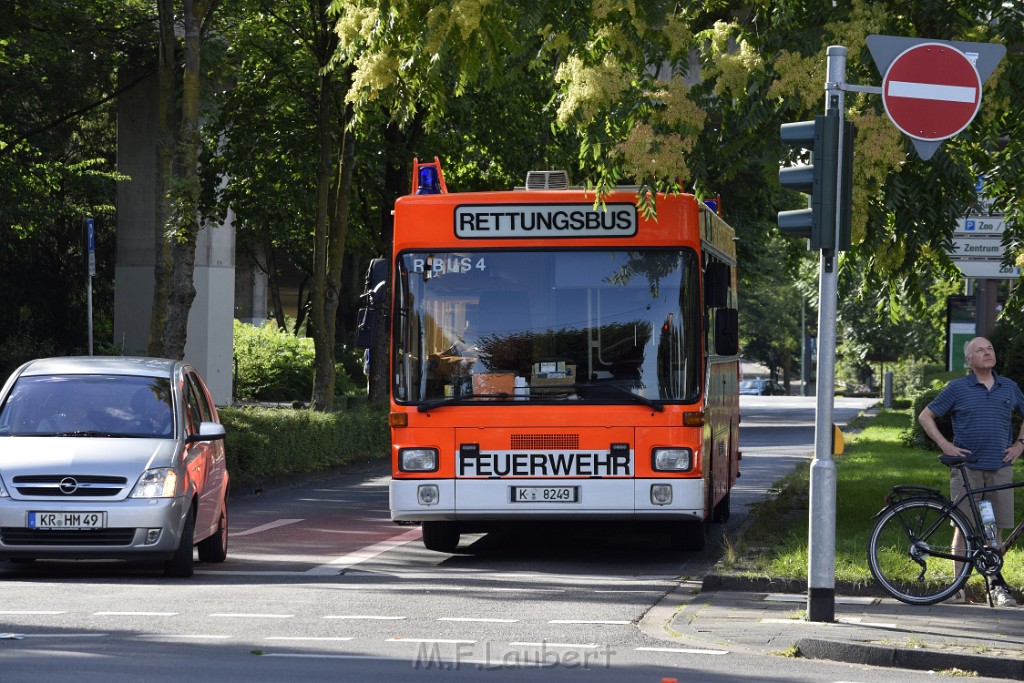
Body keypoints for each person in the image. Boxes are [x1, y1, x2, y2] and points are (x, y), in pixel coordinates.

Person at [918, 336, 1024, 607]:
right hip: (967, 470)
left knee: (994, 530)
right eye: (980, 350)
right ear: (969, 360)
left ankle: (996, 587)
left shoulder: (1008, 387)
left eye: (990, 348)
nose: (988, 353)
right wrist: (945, 444)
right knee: (964, 529)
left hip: (999, 469)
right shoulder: (958, 388)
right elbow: (925, 416)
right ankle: (956, 588)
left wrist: (1019, 445)